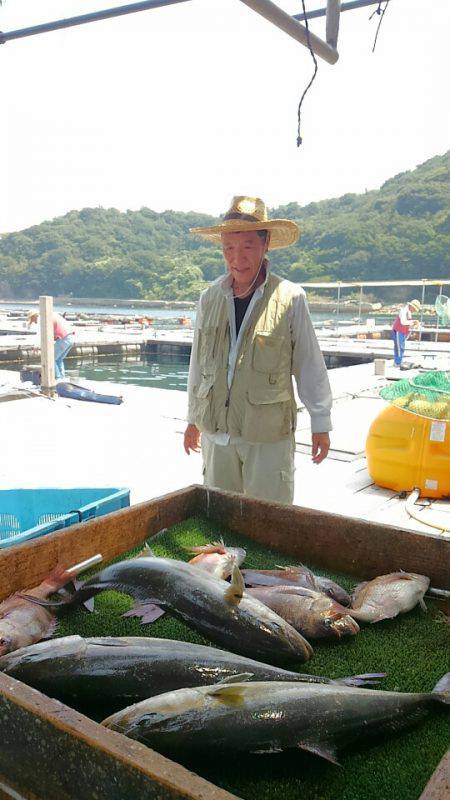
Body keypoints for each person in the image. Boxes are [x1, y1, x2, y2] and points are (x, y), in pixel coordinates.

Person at [183, 195, 332, 506]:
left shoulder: (291, 298)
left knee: (271, 520)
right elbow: (197, 365)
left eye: (248, 246)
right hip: (217, 434)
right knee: (219, 520)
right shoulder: (209, 298)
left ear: (265, 245)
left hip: (267, 436)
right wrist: (191, 419)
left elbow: (309, 365)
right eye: (229, 248)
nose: (237, 257)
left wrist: (320, 423)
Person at [28, 310, 75, 379]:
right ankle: (62, 378)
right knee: (58, 359)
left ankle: (58, 378)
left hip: (63, 339)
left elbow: (41, 333)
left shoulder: (42, 318)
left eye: (33, 320)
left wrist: (36, 346)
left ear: (34, 316)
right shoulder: (51, 314)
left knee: (51, 359)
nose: (34, 322)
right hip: (70, 337)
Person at [392, 299, 421, 368]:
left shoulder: (409, 312)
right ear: (411, 306)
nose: (414, 310)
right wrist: (413, 322)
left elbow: (408, 322)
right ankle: (398, 362)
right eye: (414, 309)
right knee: (399, 347)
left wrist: (414, 324)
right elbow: (403, 322)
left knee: (401, 347)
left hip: (403, 331)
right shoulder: (403, 310)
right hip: (398, 330)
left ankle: (398, 361)